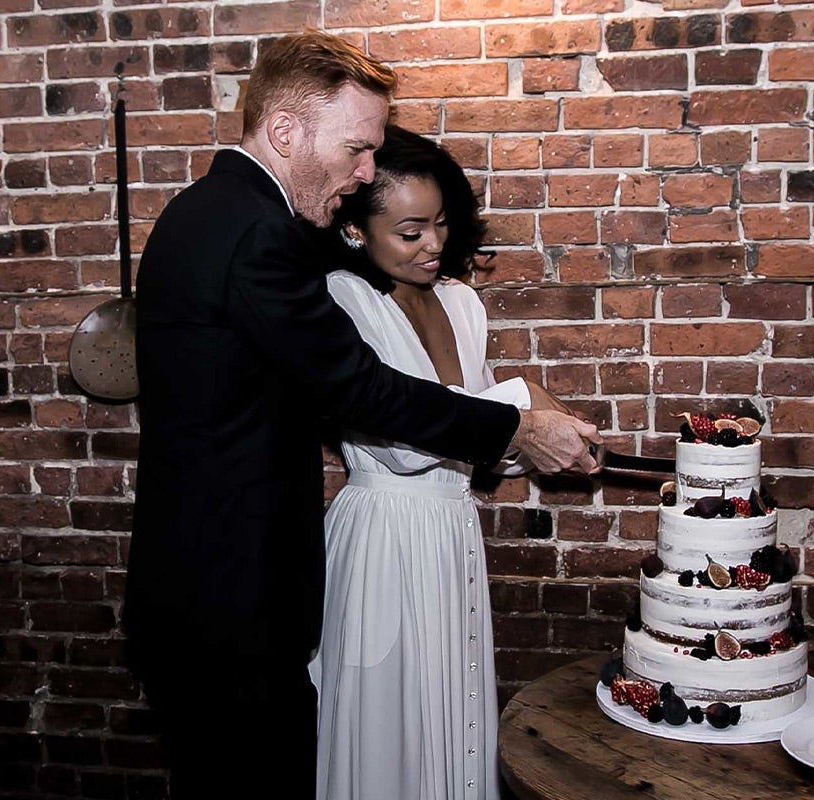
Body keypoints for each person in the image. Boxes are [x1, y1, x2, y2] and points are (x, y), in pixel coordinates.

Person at [125, 31, 599, 800]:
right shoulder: (259, 234)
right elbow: (362, 392)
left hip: (198, 586)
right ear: (285, 133)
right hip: (231, 599)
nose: (366, 171)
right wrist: (517, 428)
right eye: (357, 148)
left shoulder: (204, 210)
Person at [311, 125, 563, 800]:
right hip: (384, 538)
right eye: (411, 231)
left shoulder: (462, 300)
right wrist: (523, 410)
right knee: (388, 728)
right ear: (357, 231)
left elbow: (479, 441)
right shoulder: (344, 300)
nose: (434, 246)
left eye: (442, 224)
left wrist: (538, 439)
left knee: (453, 713)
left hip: (452, 534)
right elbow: (401, 441)